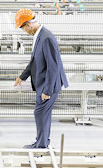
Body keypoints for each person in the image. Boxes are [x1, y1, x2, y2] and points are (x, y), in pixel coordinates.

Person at [13, 8, 68, 148]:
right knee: (42, 113)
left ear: (28, 25)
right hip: (43, 83)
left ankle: (42, 144)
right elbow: (34, 61)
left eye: (23, 28)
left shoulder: (46, 37)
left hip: (48, 85)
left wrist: (47, 90)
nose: (24, 31)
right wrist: (22, 76)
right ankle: (41, 142)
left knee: (40, 113)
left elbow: (53, 66)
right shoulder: (39, 35)